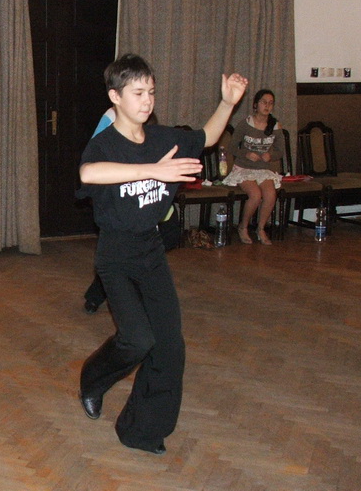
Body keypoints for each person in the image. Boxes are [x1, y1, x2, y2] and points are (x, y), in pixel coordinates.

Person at [77, 53, 247, 454]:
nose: (147, 100)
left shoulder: (162, 138)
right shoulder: (104, 144)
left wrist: (227, 103)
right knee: (137, 340)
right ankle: (93, 379)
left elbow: (206, 137)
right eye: (138, 93)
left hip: (150, 252)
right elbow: (88, 174)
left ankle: (141, 430)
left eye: (151, 91)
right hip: (116, 256)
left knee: (169, 347)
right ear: (115, 96)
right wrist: (153, 170)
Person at [82, 110, 180, 314]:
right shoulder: (110, 129)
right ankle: (97, 297)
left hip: (154, 216)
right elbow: (90, 169)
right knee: (120, 263)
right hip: (124, 213)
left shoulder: (154, 136)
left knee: (160, 246)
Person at [222, 89, 283, 245]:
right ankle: (243, 227)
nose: (267, 106)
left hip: (263, 168)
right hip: (244, 167)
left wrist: (271, 155)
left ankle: (261, 228)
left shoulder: (275, 126)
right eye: (264, 102)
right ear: (256, 105)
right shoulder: (245, 124)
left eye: (270, 103)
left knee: (270, 195)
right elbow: (232, 147)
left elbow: (280, 151)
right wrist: (246, 153)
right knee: (255, 195)